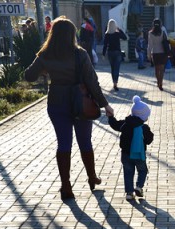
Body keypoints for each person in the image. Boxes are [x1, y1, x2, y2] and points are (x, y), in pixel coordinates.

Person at [24, 16, 114, 200]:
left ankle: (66, 186)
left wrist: (43, 67)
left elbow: (29, 76)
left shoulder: (45, 54)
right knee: (85, 142)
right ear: (73, 34)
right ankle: (92, 177)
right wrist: (105, 104)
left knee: (63, 143)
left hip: (57, 102)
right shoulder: (80, 54)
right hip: (81, 102)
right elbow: (91, 81)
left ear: (53, 34)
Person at [108, 96, 154, 200]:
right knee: (142, 170)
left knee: (128, 172)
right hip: (139, 155)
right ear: (143, 117)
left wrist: (111, 117)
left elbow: (115, 125)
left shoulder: (125, 123)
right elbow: (149, 140)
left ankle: (129, 193)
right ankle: (138, 187)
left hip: (125, 154)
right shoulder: (144, 128)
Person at [102, 19, 127, 91]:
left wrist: (103, 54)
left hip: (110, 52)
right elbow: (125, 38)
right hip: (117, 52)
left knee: (112, 68)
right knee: (117, 68)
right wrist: (120, 30)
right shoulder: (117, 33)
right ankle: (115, 83)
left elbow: (105, 45)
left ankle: (114, 82)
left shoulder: (107, 34)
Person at [147, 18, 170, 91]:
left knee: (156, 69)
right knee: (162, 69)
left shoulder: (150, 33)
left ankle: (158, 81)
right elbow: (166, 42)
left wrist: (148, 55)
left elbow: (149, 45)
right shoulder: (163, 32)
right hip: (163, 53)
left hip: (155, 53)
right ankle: (161, 83)